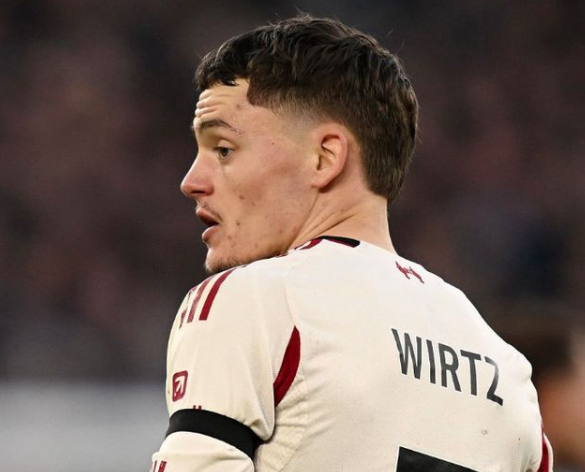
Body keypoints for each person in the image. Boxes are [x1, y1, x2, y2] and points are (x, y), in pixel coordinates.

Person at [151, 15, 552, 472]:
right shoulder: (509, 373)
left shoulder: (256, 302)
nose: (191, 181)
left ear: (325, 157)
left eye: (223, 149)